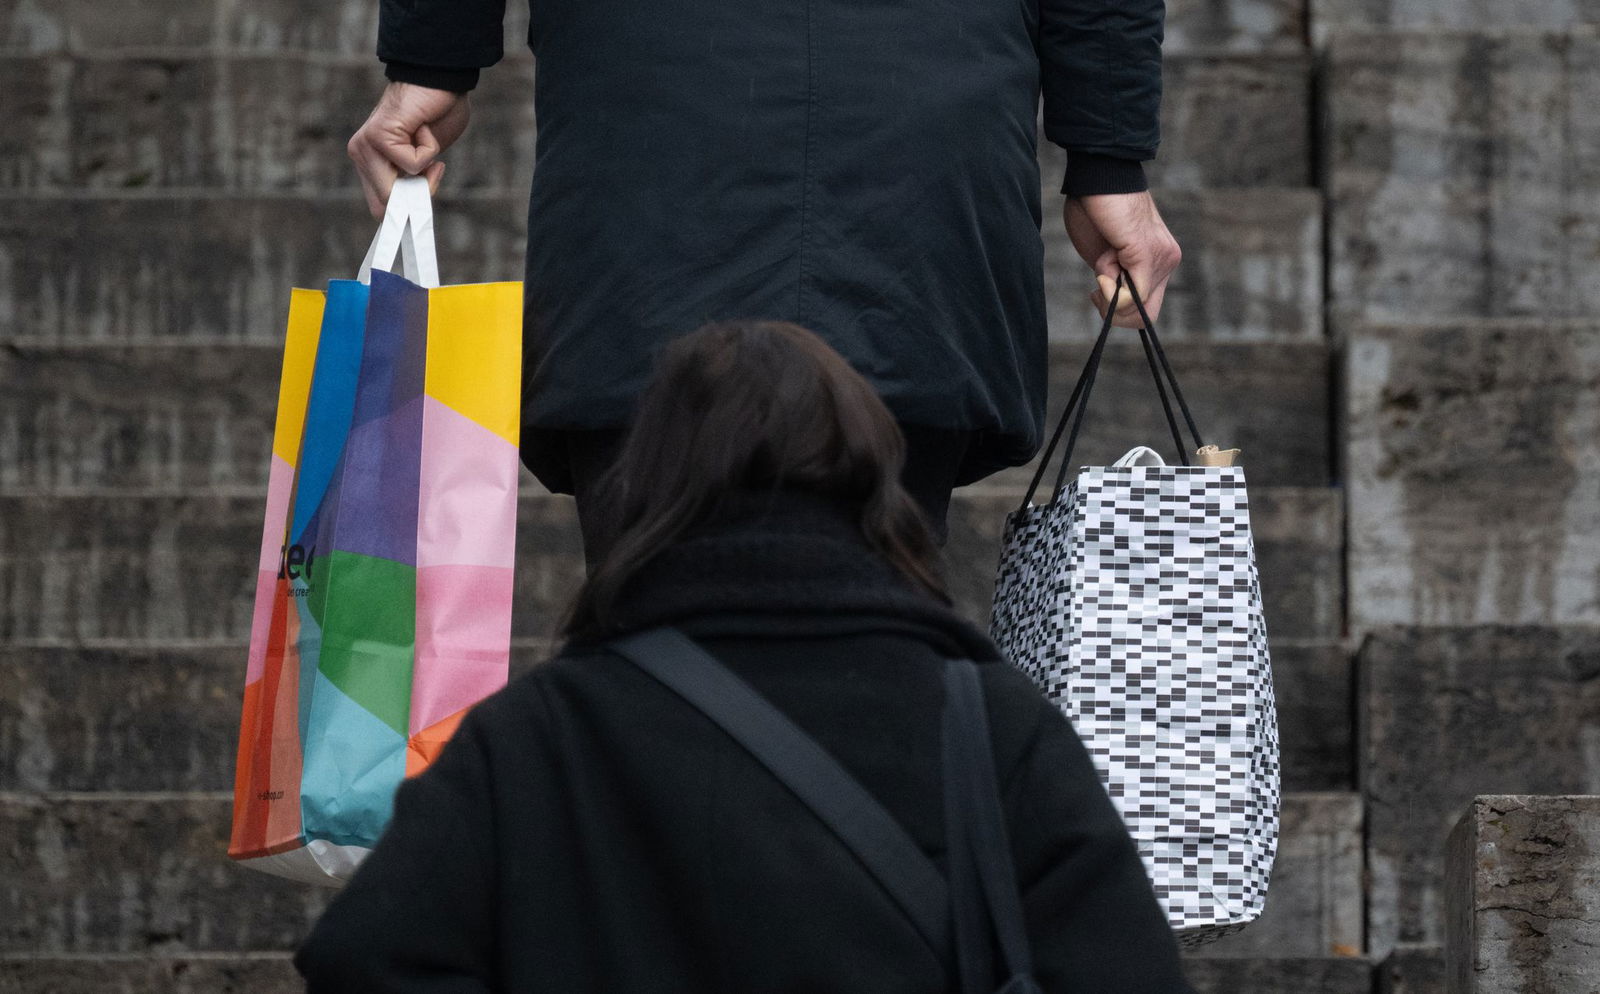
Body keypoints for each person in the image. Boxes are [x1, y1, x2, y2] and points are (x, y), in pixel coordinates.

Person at [294, 320, 1194, 993]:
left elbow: (363, 960)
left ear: (646, 484)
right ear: (874, 479)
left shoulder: (530, 739)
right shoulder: (993, 729)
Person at [347, 0, 1183, 554]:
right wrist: (1107, 157)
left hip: (657, 119)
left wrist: (431, 59)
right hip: (917, 122)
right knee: (878, 653)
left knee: (649, 647)